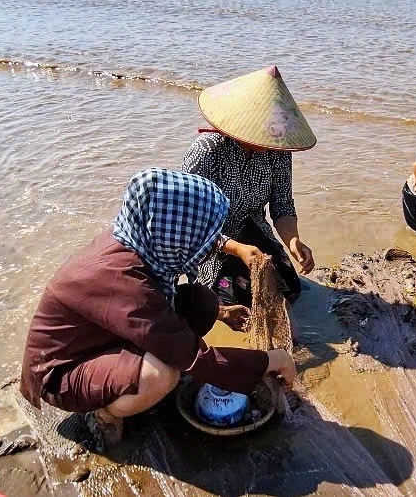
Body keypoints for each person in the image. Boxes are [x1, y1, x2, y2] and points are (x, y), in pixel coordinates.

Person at [19, 168, 297, 450]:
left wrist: (222, 312)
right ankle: (106, 413)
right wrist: (272, 360)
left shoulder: (139, 236)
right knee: (161, 374)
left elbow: (198, 253)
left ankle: (132, 378)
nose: (204, 244)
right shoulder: (124, 280)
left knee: (202, 302)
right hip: (62, 373)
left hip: (101, 338)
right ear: (174, 233)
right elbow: (195, 357)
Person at [182, 65, 317, 307]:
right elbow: (191, 224)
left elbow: (282, 205)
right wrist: (237, 249)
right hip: (210, 240)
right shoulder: (207, 151)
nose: (273, 140)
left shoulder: (278, 151)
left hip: (251, 226)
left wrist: (293, 241)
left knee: (290, 289)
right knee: (243, 300)